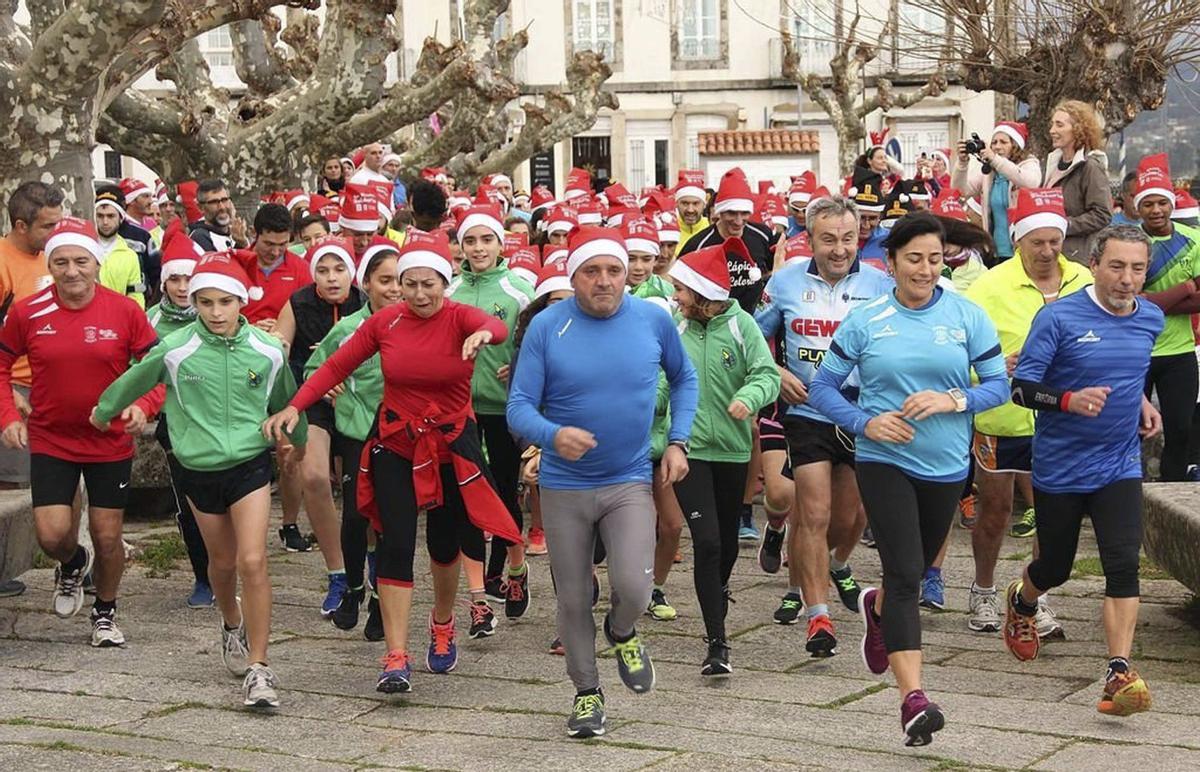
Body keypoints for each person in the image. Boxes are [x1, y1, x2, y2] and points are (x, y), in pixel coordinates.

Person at [265, 229, 520, 695]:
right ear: (399, 284)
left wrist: (484, 331)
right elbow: (334, 366)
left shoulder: (463, 316)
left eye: (430, 284)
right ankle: (396, 653)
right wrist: (295, 406)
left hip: (450, 442)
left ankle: (442, 622)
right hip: (397, 440)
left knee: (444, 544)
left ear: (446, 282)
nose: (420, 294)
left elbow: (498, 327)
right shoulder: (386, 324)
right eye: (411, 284)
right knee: (396, 542)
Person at [807, 213, 1009, 746]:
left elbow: (998, 386)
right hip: (883, 458)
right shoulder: (867, 320)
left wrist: (954, 399)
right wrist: (864, 421)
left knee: (915, 573)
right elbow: (823, 389)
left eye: (935, 259)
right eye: (913, 258)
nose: (924, 269)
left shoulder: (967, 317)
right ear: (890, 262)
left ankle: (874, 610)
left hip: (946, 464)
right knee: (903, 577)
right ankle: (913, 700)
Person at [507, 226, 699, 739]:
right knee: (572, 598)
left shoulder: (653, 320)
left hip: (628, 478)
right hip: (564, 485)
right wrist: (552, 435)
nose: (605, 281)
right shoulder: (549, 326)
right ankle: (587, 692)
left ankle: (622, 629)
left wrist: (678, 441)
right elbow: (518, 407)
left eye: (614, 271)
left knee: (634, 586)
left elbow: (685, 378)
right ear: (574, 277)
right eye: (592, 272)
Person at [93, 249, 307, 708]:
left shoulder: (268, 350)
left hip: (249, 464)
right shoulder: (175, 348)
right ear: (194, 302)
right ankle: (231, 622)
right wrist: (104, 411)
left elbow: (287, 400)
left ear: (240, 303)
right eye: (205, 302)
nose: (215, 312)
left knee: (253, 561)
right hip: (197, 469)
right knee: (224, 563)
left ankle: (260, 667)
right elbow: (135, 379)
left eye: (224, 302)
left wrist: (296, 442)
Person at [1003, 225, 1163, 718]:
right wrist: (1069, 401)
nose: (1127, 279)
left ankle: (1118, 670)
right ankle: (1023, 600)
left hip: (1118, 463)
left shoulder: (1151, 318)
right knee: (1056, 567)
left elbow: (1126, 369)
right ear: (1093, 265)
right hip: (1060, 466)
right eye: (1117, 266)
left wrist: (1139, 402)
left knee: (1123, 563)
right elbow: (1022, 390)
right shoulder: (1059, 318)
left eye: (1137, 268)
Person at [0, 217, 162, 648]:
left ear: (96, 263)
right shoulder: (27, 311)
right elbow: (1, 364)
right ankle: (73, 563)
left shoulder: (125, 311)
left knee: (109, 535)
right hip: (52, 437)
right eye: (61, 262)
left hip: (108, 440)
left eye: (81, 262)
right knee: (52, 535)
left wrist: (142, 406)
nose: (72, 271)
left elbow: (156, 370)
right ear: (49, 266)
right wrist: (8, 416)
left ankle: (105, 612)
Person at [753, 194, 892, 653]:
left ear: (860, 238)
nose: (839, 249)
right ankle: (819, 617)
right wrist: (776, 371)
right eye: (828, 239)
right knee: (812, 513)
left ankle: (833, 564)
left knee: (851, 516)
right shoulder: (785, 282)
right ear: (808, 238)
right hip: (808, 411)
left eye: (848, 239)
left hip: (860, 413)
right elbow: (753, 335)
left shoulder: (879, 284)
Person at [955, 188, 1091, 636]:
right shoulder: (987, 287)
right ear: (1018, 241)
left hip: (1062, 419)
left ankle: (1035, 600)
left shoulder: (1083, 281)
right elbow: (960, 352)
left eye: (1056, 241)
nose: (1049, 251)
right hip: (1005, 417)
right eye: (1038, 242)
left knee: (1051, 514)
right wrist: (994, 367)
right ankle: (983, 590)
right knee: (994, 510)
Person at [667, 238, 781, 675]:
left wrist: (749, 397)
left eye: (681, 290)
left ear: (703, 294)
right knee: (708, 542)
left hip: (734, 451)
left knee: (728, 544)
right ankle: (717, 642)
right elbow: (661, 380)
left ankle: (717, 590)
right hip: (688, 451)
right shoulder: (675, 330)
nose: (675, 297)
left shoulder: (742, 326)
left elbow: (766, 374)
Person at [308, 244, 403, 642]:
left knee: (391, 525)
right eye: (385, 281)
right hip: (355, 433)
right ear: (366, 285)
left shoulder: (418, 325)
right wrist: (331, 385)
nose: (396, 289)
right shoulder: (348, 329)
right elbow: (316, 368)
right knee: (355, 518)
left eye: (402, 280)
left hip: (400, 438)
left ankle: (382, 600)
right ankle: (353, 587)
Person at [446, 204, 533, 620]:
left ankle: (510, 568)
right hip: (460, 409)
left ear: (501, 243)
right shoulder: (449, 292)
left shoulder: (519, 290)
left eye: (486, 239)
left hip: (503, 408)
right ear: (460, 246)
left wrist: (518, 364)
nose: (478, 248)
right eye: (470, 240)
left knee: (502, 489)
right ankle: (485, 582)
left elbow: (538, 337)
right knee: (468, 495)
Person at [272, 236, 362, 612]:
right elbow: (279, 344)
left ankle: (368, 564)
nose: (331, 278)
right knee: (312, 476)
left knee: (362, 493)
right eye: (322, 270)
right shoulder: (298, 303)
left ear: (353, 273)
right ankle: (337, 571)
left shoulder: (366, 300)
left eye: (339, 269)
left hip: (360, 399)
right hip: (314, 399)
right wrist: (271, 338)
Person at [146, 221, 214, 608]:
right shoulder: (151, 319)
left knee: (221, 505)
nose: (184, 287)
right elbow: (137, 371)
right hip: (175, 427)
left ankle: (227, 567)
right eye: (176, 280)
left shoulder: (216, 310)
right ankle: (202, 577)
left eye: (190, 278)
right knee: (188, 505)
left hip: (220, 424)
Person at [1129, 154, 1200, 482]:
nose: (1156, 210)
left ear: (1171, 204)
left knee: (1180, 430)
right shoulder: (1128, 242)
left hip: (1179, 352)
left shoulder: (1193, 239)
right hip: (1134, 351)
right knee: (1130, 431)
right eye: (1148, 204)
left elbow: (1142, 303)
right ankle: (1133, 496)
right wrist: (1184, 288)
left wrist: (1151, 304)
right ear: (1137, 207)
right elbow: (1125, 299)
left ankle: (1172, 496)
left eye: (1162, 203)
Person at [0, 182, 64, 494]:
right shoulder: (2, 263)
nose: (57, 232)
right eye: (49, 225)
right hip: (15, 392)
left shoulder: (55, 257)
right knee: (16, 490)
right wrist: (9, 396)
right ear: (21, 226)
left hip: (54, 390)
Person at [677, 168, 774, 313]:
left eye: (745, 213)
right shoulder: (698, 244)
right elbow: (681, 287)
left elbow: (770, 270)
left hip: (756, 323)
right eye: (732, 213)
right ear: (719, 212)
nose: (738, 221)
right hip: (714, 325)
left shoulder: (762, 234)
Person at [952, 122, 1042, 263]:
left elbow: (1030, 182)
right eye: (994, 142)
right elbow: (960, 191)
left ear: (1015, 146)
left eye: (1003, 142)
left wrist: (995, 159)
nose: (997, 147)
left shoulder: (1029, 164)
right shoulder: (989, 172)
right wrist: (962, 163)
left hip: (1019, 249)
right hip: (994, 251)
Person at [1043, 100, 1112, 263]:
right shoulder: (1052, 163)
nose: (1052, 130)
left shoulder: (1090, 167)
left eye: (1059, 125)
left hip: (1078, 258)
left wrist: (1063, 225)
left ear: (1078, 129)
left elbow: (1102, 214)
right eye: (1052, 124)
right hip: (1054, 255)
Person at [241, 203, 312, 338]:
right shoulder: (236, 265)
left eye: (282, 244)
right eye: (269, 244)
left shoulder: (301, 269)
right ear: (253, 233)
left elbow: (309, 318)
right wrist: (248, 329)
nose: (275, 252)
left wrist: (284, 328)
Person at [92, 185, 147, 308]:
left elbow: (135, 294)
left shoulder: (130, 255)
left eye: (111, 216)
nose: (105, 222)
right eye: (100, 216)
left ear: (121, 218)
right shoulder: (85, 249)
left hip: (117, 319)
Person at [189, 179, 246, 253]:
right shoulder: (200, 237)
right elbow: (217, 264)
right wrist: (240, 246)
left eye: (224, 200)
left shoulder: (236, 234)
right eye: (214, 202)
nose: (222, 207)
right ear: (201, 207)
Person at [674, 170, 710, 254]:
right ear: (676, 204)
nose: (690, 210)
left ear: (704, 204)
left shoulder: (712, 228)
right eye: (685, 203)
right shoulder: (669, 230)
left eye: (696, 203)